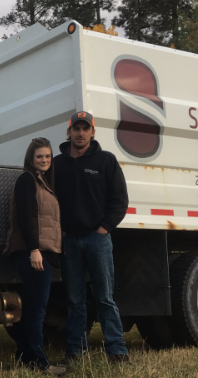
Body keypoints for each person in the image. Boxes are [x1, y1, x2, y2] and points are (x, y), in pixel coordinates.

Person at [54, 111, 130, 366]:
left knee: (105, 298)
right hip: (70, 243)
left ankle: (117, 352)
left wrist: (104, 228)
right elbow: (50, 202)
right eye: (76, 128)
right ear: (69, 132)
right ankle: (76, 351)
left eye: (86, 128)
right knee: (74, 300)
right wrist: (61, 232)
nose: (80, 133)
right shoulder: (58, 164)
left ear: (93, 132)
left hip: (97, 239)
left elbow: (119, 200)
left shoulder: (106, 161)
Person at [5, 138, 65, 375]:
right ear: (31, 158)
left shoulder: (43, 182)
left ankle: (24, 358)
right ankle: (39, 363)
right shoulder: (27, 180)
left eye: (48, 156)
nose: (44, 160)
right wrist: (34, 250)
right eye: (40, 156)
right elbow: (25, 218)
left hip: (40, 251)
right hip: (33, 252)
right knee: (37, 310)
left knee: (32, 308)